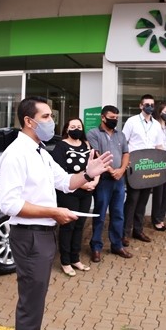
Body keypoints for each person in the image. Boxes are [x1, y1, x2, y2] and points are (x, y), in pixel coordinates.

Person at [0, 97, 112, 330]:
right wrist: (53, 212)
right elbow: (9, 203)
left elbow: (64, 182)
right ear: (29, 121)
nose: (51, 121)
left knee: (35, 300)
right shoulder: (16, 154)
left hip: (43, 234)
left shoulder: (41, 152)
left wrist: (89, 173)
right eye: (46, 116)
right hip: (30, 235)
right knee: (30, 304)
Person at [51, 117, 97, 276]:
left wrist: (94, 183)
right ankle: (65, 261)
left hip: (86, 192)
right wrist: (84, 183)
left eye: (79, 126)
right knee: (68, 226)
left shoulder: (87, 145)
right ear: (67, 129)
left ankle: (75, 258)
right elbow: (61, 173)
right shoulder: (61, 146)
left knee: (79, 225)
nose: (76, 128)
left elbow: (95, 166)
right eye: (73, 126)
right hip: (69, 193)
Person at [87, 106, 131, 262]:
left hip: (119, 180)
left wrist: (121, 170)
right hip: (104, 180)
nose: (115, 120)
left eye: (117, 117)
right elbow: (97, 155)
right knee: (100, 213)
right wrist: (112, 170)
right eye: (112, 117)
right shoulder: (93, 133)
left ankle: (117, 245)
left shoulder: (121, 135)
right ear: (103, 117)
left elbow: (126, 153)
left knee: (118, 214)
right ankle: (96, 247)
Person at [122, 94, 164, 244]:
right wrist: (125, 162)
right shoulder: (132, 121)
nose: (150, 107)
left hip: (149, 167)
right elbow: (123, 142)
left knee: (144, 200)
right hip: (135, 166)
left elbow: (159, 146)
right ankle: (124, 232)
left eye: (152, 104)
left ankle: (138, 231)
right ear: (141, 106)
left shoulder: (157, 125)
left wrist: (163, 164)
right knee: (132, 199)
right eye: (147, 104)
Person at [150, 102, 166, 231]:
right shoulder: (155, 127)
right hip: (158, 162)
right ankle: (156, 220)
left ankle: (161, 217)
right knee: (158, 193)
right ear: (159, 113)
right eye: (164, 112)